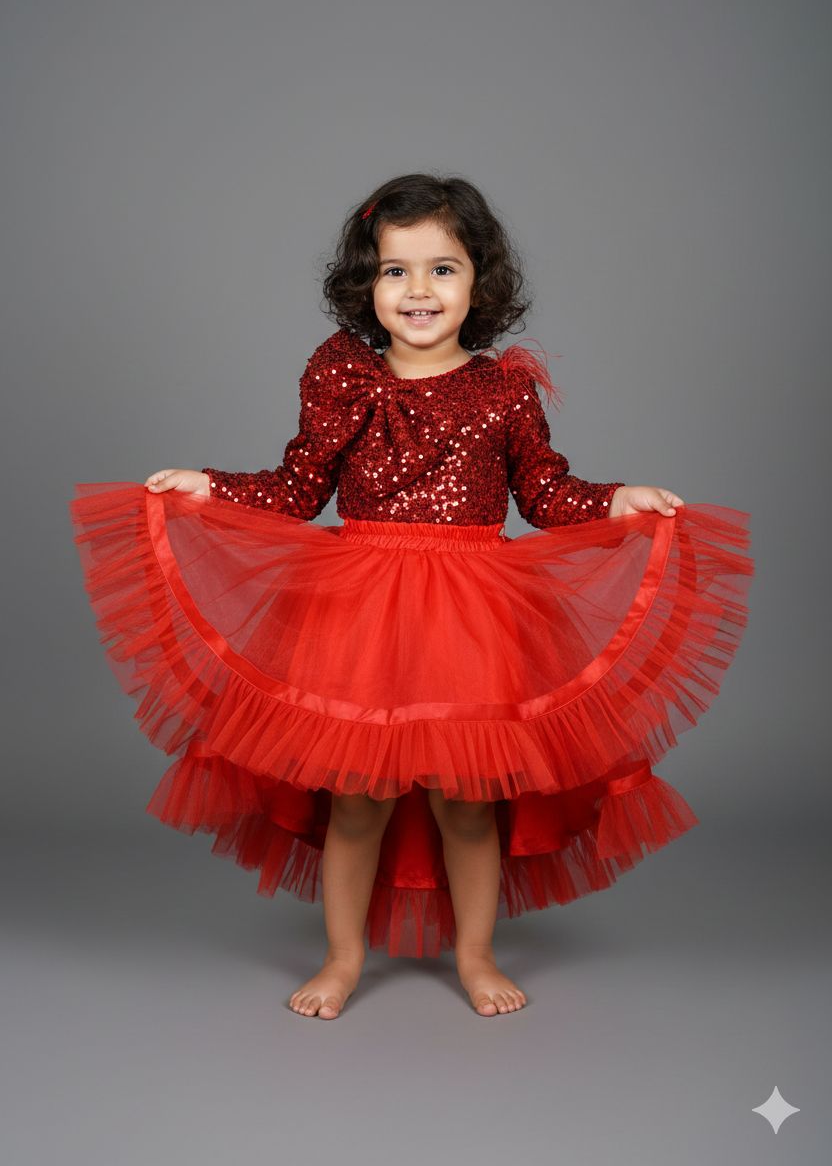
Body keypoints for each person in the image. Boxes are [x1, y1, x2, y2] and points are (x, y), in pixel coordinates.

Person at [69, 172, 754, 1021]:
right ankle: (342, 958)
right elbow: (297, 486)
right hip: (358, 611)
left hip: (472, 614)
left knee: (468, 803)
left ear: (479, 283)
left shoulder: (505, 389)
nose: (419, 290)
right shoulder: (342, 376)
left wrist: (619, 500)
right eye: (396, 270)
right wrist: (208, 486)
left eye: (443, 269)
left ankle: (475, 955)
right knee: (358, 800)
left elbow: (545, 493)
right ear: (368, 284)